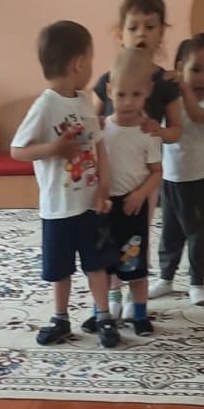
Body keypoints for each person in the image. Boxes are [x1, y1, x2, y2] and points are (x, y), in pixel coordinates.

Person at [11, 19, 117, 348]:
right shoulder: (45, 105)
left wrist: (103, 187)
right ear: (79, 63)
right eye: (91, 57)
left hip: (89, 205)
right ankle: (61, 318)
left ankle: (103, 316)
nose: (92, 65)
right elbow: (17, 150)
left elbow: (99, 146)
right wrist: (53, 149)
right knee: (60, 269)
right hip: (58, 209)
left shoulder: (85, 101)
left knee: (96, 264)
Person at [93, 0, 181, 321]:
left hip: (144, 177)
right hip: (108, 174)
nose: (141, 33)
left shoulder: (164, 83)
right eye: (133, 27)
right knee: (105, 235)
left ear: (161, 33)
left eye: (149, 26)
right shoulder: (108, 79)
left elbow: (177, 130)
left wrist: (159, 131)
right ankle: (113, 292)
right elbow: (90, 118)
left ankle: (135, 291)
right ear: (121, 33)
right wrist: (93, 123)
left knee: (135, 236)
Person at [82, 49, 162, 338]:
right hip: (104, 206)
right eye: (121, 94)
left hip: (133, 207)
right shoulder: (101, 129)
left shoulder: (148, 132)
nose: (128, 102)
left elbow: (157, 172)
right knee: (101, 263)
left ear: (148, 91)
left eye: (136, 95)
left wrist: (141, 195)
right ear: (109, 91)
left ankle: (139, 313)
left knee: (135, 266)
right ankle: (102, 310)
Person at [149, 33, 204, 306]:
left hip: (199, 179)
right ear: (181, 68)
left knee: (198, 233)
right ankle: (166, 277)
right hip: (171, 178)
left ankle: (197, 281)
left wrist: (183, 89)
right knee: (170, 232)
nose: (203, 78)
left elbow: (195, 115)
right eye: (196, 69)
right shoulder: (173, 99)